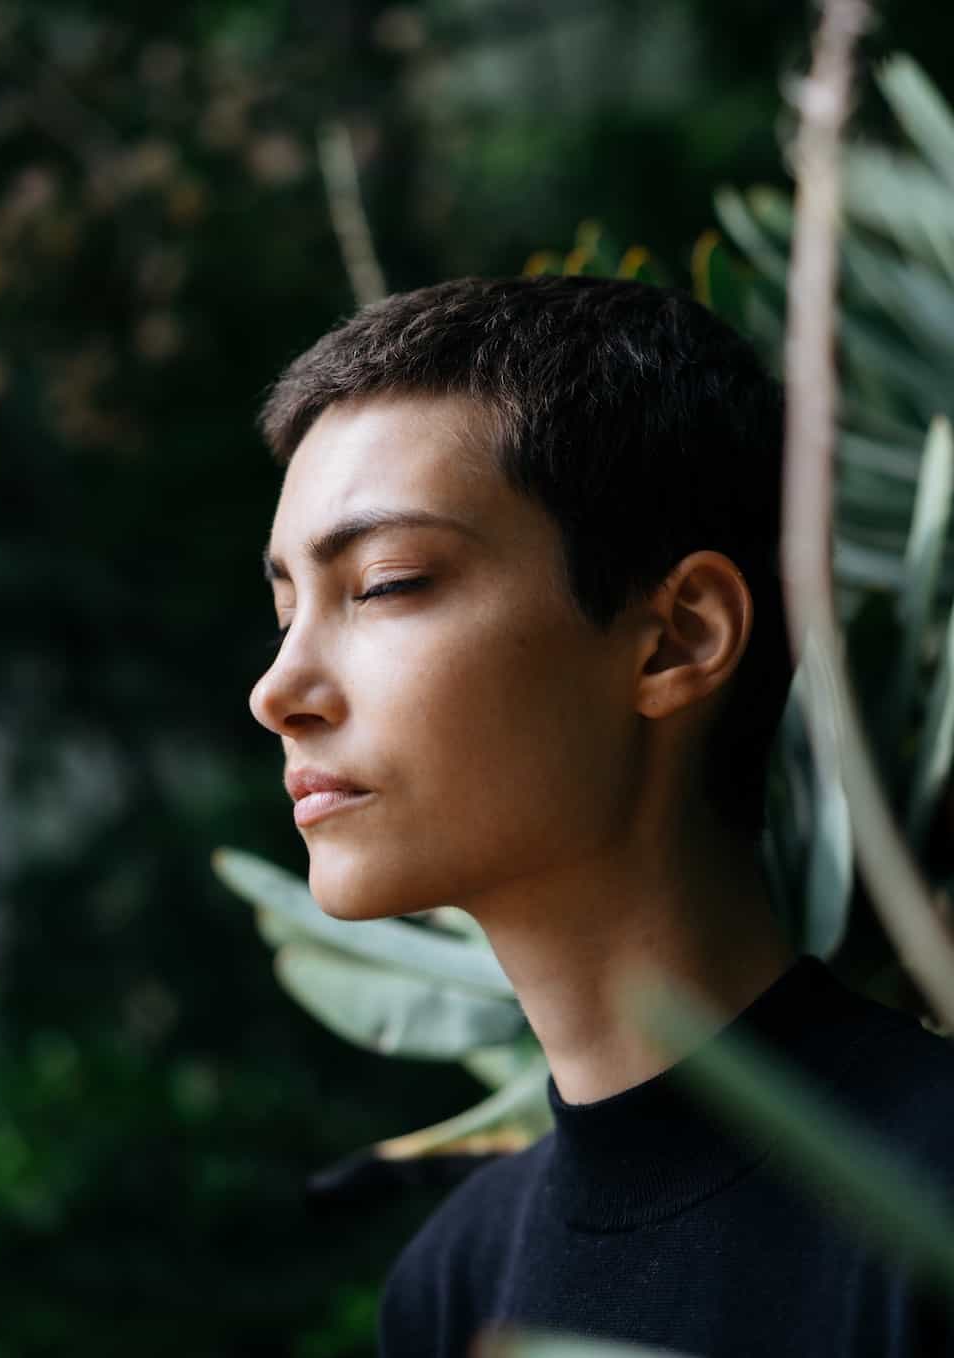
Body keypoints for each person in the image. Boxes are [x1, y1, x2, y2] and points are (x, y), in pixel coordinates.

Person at [249, 276, 954, 1356]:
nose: (278, 687)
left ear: (675, 638)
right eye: (287, 606)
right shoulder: (453, 1283)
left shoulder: (928, 1197)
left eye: (384, 583)